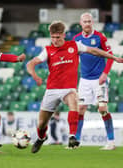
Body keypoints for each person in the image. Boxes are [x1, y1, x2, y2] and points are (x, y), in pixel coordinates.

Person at [26, 20, 123, 153]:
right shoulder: (47, 50)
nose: (55, 40)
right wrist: (35, 76)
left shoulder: (74, 46)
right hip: (52, 90)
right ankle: (41, 138)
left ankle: (72, 136)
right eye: (53, 37)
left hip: (69, 89)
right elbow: (30, 63)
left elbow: (94, 51)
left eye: (58, 37)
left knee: (74, 101)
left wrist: (113, 57)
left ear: (64, 35)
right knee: (42, 124)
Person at [73, 13, 116, 150]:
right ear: (80, 23)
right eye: (85, 21)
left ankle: (111, 142)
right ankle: (76, 141)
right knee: (80, 109)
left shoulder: (100, 37)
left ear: (93, 22)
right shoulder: (76, 39)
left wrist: (105, 73)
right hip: (84, 80)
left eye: (89, 21)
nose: (87, 23)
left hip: (99, 79)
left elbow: (110, 56)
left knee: (102, 108)